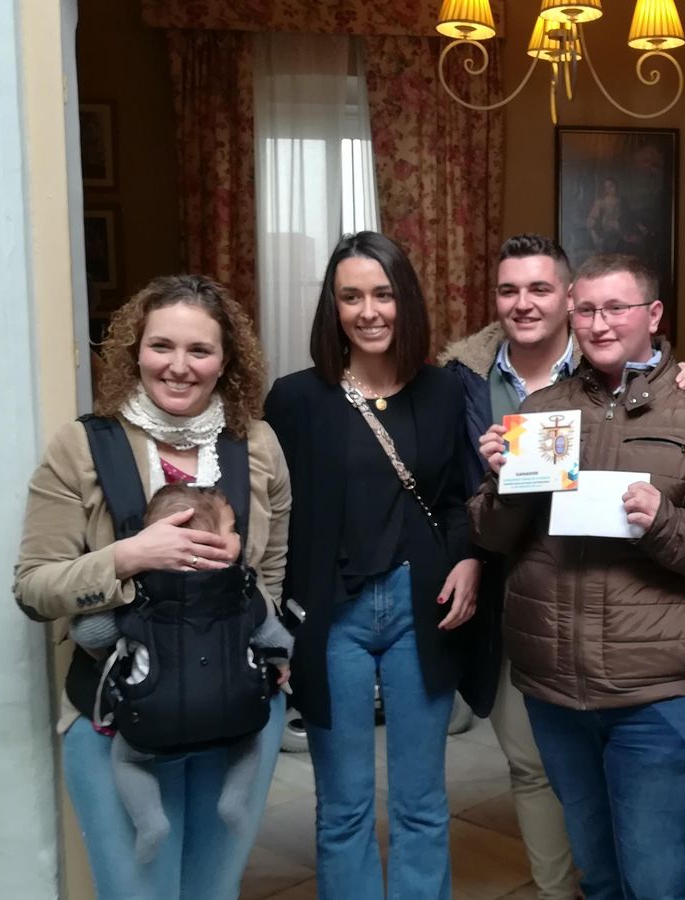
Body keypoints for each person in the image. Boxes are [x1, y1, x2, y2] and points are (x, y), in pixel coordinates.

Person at [469, 253, 685, 900]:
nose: (599, 323)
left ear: (654, 314)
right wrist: (503, 484)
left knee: (660, 883)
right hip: (556, 690)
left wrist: (667, 522)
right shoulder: (544, 412)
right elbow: (493, 535)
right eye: (585, 309)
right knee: (601, 876)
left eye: (616, 308)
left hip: (660, 693)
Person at [14, 274, 290, 900]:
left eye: (200, 351)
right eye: (162, 346)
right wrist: (129, 556)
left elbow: (272, 568)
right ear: (135, 350)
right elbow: (34, 589)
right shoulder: (82, 446)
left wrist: (273, 648)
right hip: (119, 718)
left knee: (214, 891)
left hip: (239, 716)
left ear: (227, 361)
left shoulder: (260, 445)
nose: (179, 366)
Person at [265, 231, 483, 900]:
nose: (369, 311)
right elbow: (274, 517)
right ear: (332, 308)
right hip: (334, 620)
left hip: (422, 609)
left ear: (405, 300)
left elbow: (453, 500)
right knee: (345, 805)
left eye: (383, 294)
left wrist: (469, 558)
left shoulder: (446, 391)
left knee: (421, 801)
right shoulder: (296, 400)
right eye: (351, 296)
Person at [70, 483, 292, 863]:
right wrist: (282, 663)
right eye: (232, 529)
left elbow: (88, 633)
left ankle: (149, 820)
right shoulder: (243, 590)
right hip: (234, 711)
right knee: (249, 742)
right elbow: (276, 639)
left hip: (152, 718)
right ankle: (234, 800)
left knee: (127, 759)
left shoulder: (138, 592)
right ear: (209, 541)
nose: (238, 535)